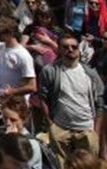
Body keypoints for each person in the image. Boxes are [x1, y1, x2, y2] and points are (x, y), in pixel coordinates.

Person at [39, 29, 103, 158]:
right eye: (65, 47)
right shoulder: (50, 71)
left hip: (86, 129)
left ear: (79, 50)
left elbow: (100, 103)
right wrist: (51, 124)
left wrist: (96, 131)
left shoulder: (90, 74)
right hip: (61, 129)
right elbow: (43, 98)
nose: (70, 49)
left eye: (74, 47)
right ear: (59, 49)